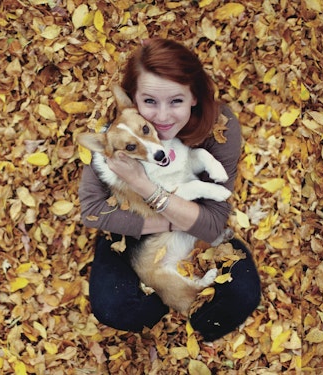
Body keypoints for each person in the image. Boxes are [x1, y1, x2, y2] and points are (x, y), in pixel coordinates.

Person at [78, 38, 261, 342]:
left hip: (199, 230)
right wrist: (163, 219)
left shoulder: (221, 126)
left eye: (176, 101)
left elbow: (213, 222)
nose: (162, 118)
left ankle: (190, 313)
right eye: (149, 102)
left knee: (240, 299)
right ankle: (161, 306)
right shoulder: (115, 135)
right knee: (116, 309)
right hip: (131, 235)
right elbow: (93, 212)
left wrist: (144, 185)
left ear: (194, 96)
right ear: (132, 100)